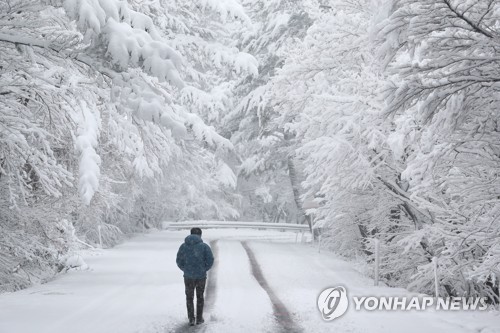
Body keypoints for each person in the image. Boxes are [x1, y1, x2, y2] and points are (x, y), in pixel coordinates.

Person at [176, 227, 214, 326]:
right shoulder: (204, 247)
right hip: (201, 276)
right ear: (200, 235)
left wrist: (185, 269)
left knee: (189, 297)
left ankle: (191, 319)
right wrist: (204, 269)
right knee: (200, 297)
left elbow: (179, 260)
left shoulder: (183, 246)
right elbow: (210, 260)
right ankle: (199, 318)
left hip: (188, 276)